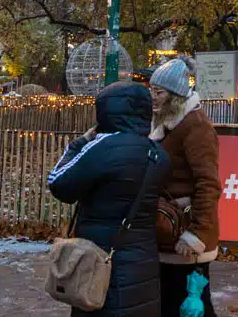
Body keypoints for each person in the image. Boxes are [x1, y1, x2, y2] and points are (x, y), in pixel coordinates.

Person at [48, 81, 169, 317]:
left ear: (106, 112)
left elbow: (59, 184)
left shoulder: (102, 147)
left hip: (100, 267)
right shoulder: (158, 154)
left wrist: (78, 144)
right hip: (143, 268)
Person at [148, 58, 221, 317]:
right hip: (169, 232)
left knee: (194, 307)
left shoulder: (196, 126)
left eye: (159, 92)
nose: (153, 97)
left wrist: (197, 234)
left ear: (176, 95)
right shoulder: (168, 124)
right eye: (151, 91)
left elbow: (208, 183)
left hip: (187, 236)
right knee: (172, 304)